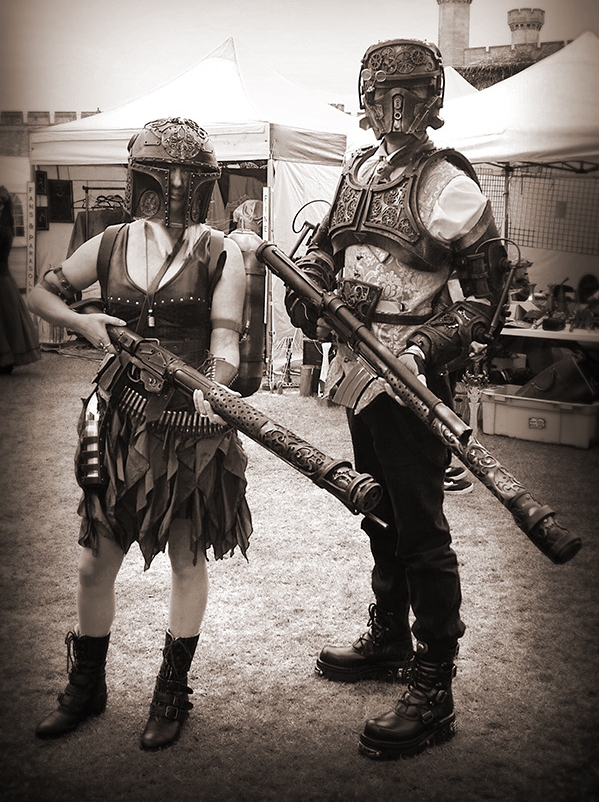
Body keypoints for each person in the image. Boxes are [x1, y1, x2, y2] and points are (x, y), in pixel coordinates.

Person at [285, 39, 510, 759]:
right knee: (376, 510)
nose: (396, 108)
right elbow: (324, 251)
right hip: (355, 371)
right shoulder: (355, 173)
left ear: (433, 99)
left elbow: (485, 297)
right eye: (384, 95)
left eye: (411, 94)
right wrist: (311, 293)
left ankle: (433, 680)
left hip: (412, 377)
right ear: (364, 98)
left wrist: (420, 349)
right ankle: (387, 638)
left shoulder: (448, 183)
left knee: (421, 528)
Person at [29, 117, 251, 750]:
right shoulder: (110, 242)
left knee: (186, 555)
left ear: (204, 182)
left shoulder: (220, 249)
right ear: (143, 181)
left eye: (189, 180)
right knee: (95, 557)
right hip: (116, 416)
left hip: (188, 425)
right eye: (165, 178)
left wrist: (215, 386)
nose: (175, 191)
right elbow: (41, 297)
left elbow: (226, 341)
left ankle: (171, 691)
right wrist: (85, 323)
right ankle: (87, 685)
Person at [0, 186, 41, 373]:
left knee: (7, 322)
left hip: (1, 279)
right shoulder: (5, 225)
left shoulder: (4, 228)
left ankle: (6, 359)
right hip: (3, 278)